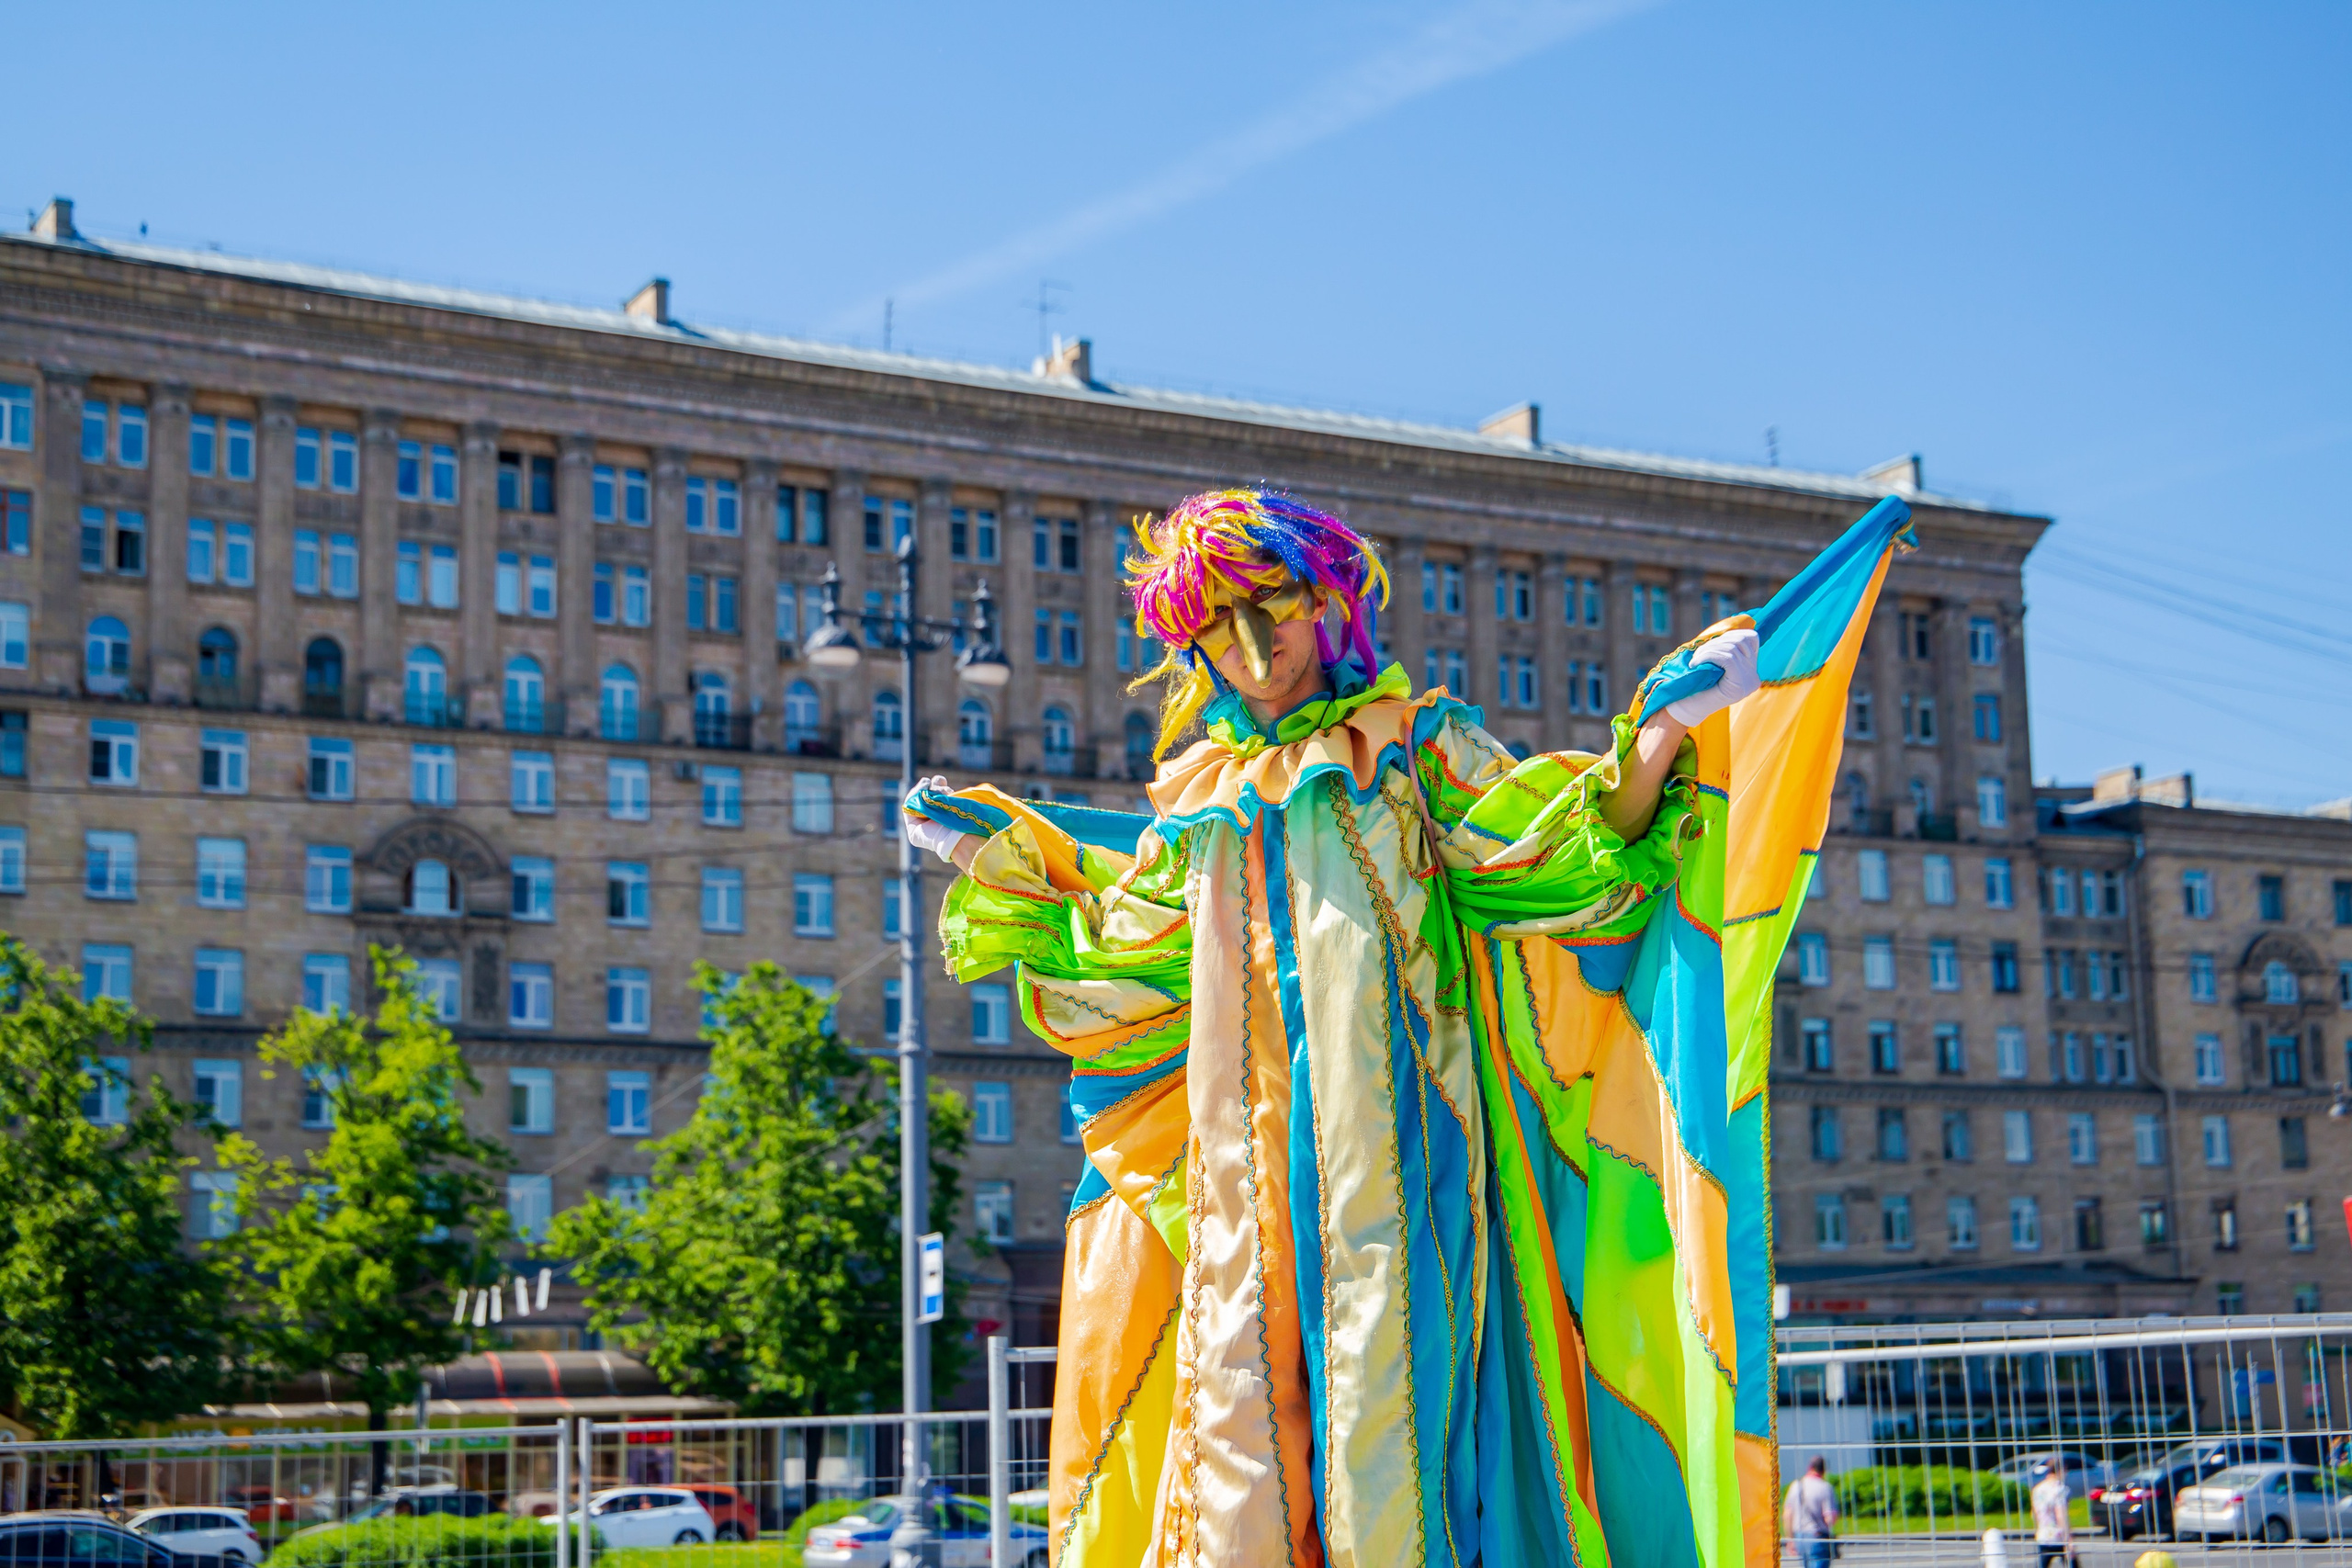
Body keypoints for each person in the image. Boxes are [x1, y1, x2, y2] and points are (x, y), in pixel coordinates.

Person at [905, 488, 1917, 1567]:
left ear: (1327, 595)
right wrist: (992, 861)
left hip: (1406, 1179)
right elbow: (1123, 953)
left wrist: (1663, 730)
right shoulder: (1198, 803)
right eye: (1218, 626)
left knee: (1393, 1444)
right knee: (1239, 1447)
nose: (1254, 649)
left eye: (1274, 606)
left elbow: (1550, 856)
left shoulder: (1415, 750)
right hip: (1240, 1195)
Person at [1783, 1457, 1838, 1568]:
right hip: (1817, 1536)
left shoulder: (1795, 1486)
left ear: (1809, 1468)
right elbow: (1829, 1518)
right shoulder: (1825, 1487)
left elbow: (1787, 1515)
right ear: (1824, 1470)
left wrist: (1790, 1539)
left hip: (1799, 1536)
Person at [2031, 1459, 2073, 1567]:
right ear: (2061, 1470)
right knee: (2072, 1564)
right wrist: (2069, 1539)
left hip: (2043, 1535)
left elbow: (2035, 1513)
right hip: (2058, 1536)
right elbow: (2061, 1515)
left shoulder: (2038, 1489)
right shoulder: (2060, 1489)